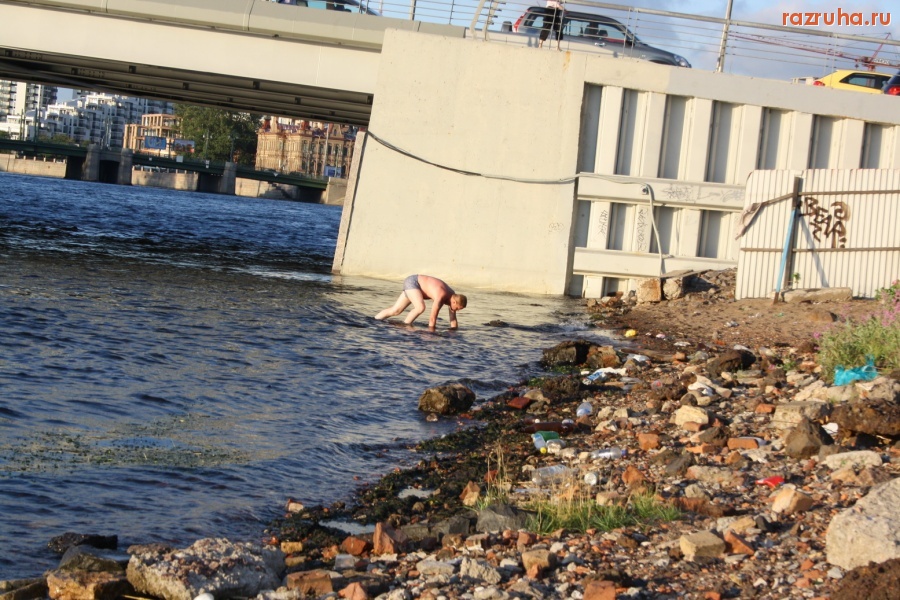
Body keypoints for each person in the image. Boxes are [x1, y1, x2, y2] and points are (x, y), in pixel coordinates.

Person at [375, 274, 467, 331]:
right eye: (458, 308)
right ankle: (405, 327)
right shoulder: (441, 295)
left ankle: (375, 320)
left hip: (415, 286)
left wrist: (454, 334)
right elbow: (432, 319)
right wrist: (432, 335)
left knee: (396, 310)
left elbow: (453, 320)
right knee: (420, 308)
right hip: (414, 282)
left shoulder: (454, 297)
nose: (457, 311)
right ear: (454, 302)